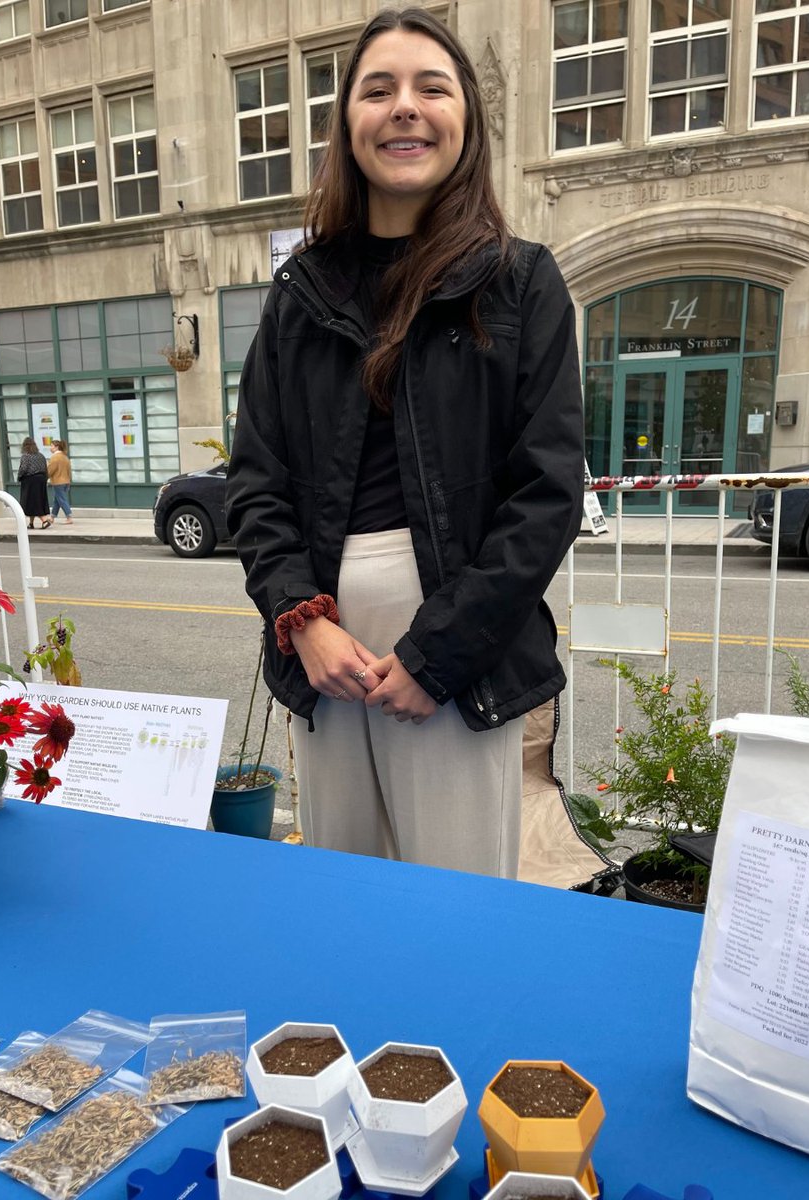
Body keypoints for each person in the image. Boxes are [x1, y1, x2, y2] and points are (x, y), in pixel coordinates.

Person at [226, 7, 584, 878]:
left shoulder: (519, 280)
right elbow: (256, 484)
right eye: (377, 89)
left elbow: (545, 494)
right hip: (327, 641)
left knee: (455, 903)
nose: (405, 108)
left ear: (468, 119)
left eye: (433, 87)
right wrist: (300, 621)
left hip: (457, 638)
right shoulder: (300, 293)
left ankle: (454, 1025)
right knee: (341, 890)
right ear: (347, 122)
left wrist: (437, 657)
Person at [17, 436, 51, 529]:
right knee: (37, 500)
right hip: (41, 480)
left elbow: (23, 468)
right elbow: (45, 468)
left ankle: (44, 521)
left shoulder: (26, 456)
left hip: (30, 481)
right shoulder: (41, 455)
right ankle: (31, 523)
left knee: (33, 502)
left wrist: (19, 477)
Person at [48, 439, 74, 524]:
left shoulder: (54, 457)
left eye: (51, 446)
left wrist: (44, 477)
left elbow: (50, 470)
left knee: (61, 499)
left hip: (58, 482)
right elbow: (69, 470)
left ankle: (69, 517)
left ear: (56, 447)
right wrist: (69, 480)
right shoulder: (65, 457)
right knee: (57, 500)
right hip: (66, 481)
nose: (50, 448)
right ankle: (52, 517)